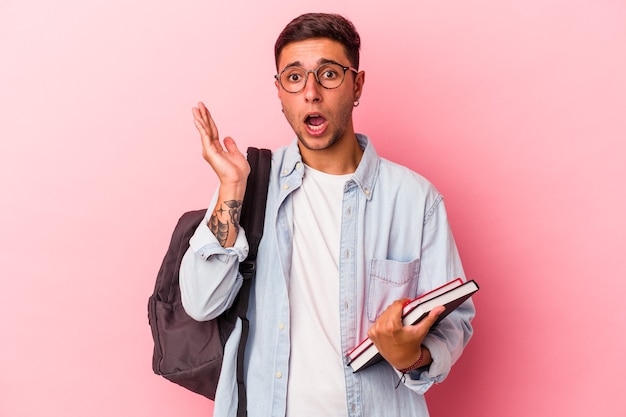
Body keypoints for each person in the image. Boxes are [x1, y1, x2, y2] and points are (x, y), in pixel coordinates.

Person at [180, 12, 475, 417]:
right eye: (295, 77)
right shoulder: (248, 184)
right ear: (280, 91)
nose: (311, 92)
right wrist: (231, 188)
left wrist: (411, 355)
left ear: (357, 84)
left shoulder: (414, 199)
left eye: (330, 75)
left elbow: (455, 324)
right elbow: (201, 302)